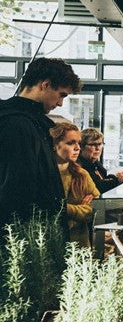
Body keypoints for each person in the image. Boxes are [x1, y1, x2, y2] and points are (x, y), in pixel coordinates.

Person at [0, 57, 82, 230]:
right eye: (61, 95)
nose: (60, 103)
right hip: (25, 235)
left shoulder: (28, 122)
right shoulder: (18, 125)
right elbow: (16, 189)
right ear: (45, 84)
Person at [51, 122, 100, 247]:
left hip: (78, 244)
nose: (77, 148)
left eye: (78, 143)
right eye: (70, 143)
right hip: (50, 243)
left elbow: (94, 209)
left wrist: (65, 208)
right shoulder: (43, 174)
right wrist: (78, 209)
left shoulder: (81, 174)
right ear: (55, 145)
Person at [79, 128, 123, 194]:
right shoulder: (78, 165)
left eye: (100, 144)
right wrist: (116, 179)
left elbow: (103, 180)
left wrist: (117, 178)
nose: (98, 148)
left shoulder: (96, 163)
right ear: (81, 146)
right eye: (93, 144)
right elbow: (96, 186)